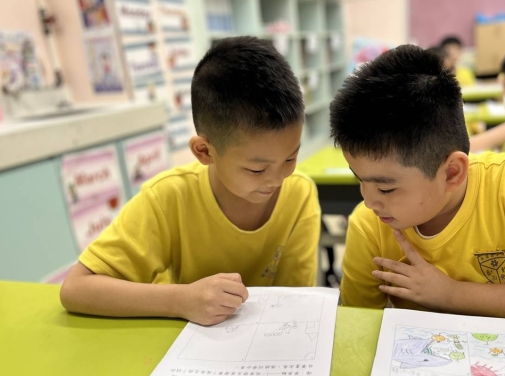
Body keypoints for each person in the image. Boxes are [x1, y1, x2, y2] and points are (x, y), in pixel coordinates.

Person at [330, 44, 505, 328]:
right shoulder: (369, 226)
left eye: (386, 189)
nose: (369, 201)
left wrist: (451, 294)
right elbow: (356, 328)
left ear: (452, 172)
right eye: (359, 179)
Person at [60, 36, 321, 326]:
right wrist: (180, 300)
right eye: (257, 170)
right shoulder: (168, 197)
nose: (278, 179)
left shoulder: (299, 194)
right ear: (205, 151)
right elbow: (76, 289)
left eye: (290, 159)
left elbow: (296, 300)